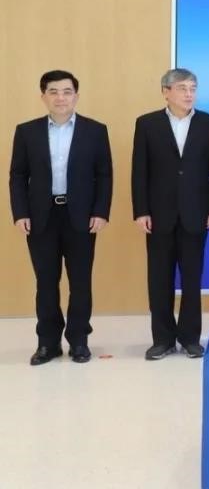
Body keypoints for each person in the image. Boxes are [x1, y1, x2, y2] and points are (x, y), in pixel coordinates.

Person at [9, 70, 113, 365]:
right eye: (53, 91)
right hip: (40, 217)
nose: (61, 98)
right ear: (43, 96)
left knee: (80, 282)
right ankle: (48, 343)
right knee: (45, 281)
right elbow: (18, 175)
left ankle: (79, 340)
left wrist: (100, 211)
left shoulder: (95, 130)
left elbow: (104, 175)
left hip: (81, 216)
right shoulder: (27, 131)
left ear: (76, 96)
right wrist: (20, 213)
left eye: (67, 91)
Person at [131, 68, 209, 360]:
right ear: (166, 92)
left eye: (193, 88)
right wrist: (141, 210)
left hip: (196, 213)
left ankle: (190, 338)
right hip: (159, 214)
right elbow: (140, 171)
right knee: (159, 279)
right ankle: (162, 339)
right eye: (182, 88)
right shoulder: (147, 124)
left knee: (192, 279)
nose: (189, 94)